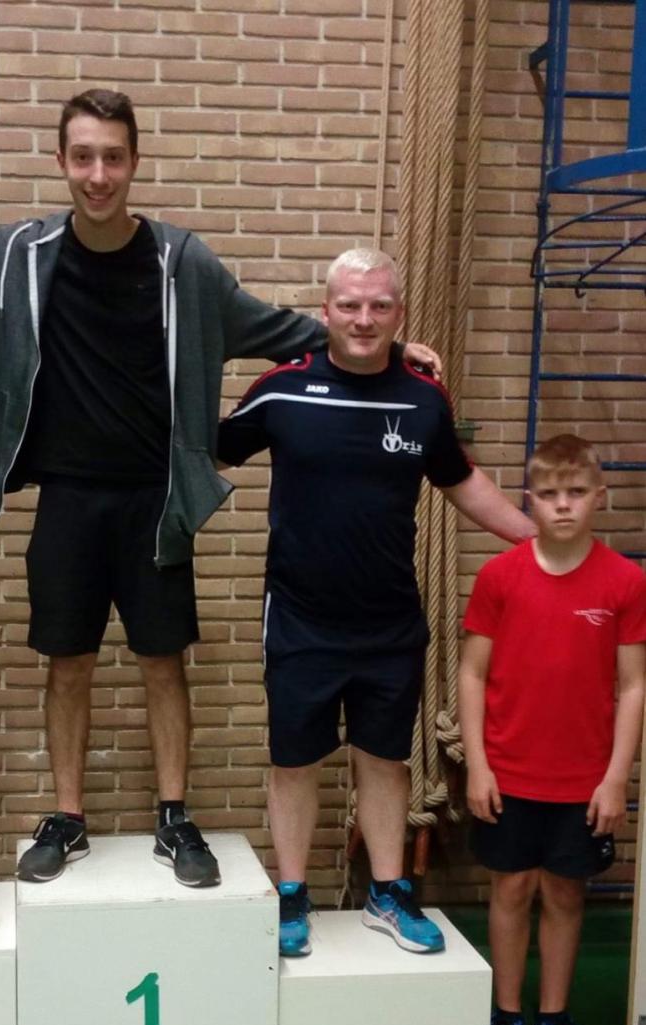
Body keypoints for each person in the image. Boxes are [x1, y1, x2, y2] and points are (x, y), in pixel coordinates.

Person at [0, 90, 441, 891]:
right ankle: (67, 816)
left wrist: (387, 348)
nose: (98, 174)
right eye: (83, 156)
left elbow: (276, 327)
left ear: (133, 163)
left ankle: (174, 815)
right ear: (62, 162)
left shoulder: (181, 262)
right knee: (69, 663)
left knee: (164, 663)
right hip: (66, 498)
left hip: (156, 502)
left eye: (113, 157)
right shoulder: (19, 251)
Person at [217, 247, 537, 957]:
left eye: (379, 306)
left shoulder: (424, 399)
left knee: (385, 761)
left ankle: (388, 896)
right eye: (350, 305)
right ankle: (291, 895)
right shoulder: (280, 389)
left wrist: (538, 540)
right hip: (299, 621)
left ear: (398, 314)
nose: (364, 319)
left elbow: (462, 481)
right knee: (294, 763)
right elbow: (207, 452)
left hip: (390, 623)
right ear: (326, 311)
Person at [460, 434, 646, 1025]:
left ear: (599, 497)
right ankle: (507, 1014)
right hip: (508, 773)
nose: (563, 505)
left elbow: (633, 687)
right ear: (529, 500)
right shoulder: (499, 578)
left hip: (584, 781)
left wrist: (616, 778)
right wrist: (478, 765)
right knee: (511, 888)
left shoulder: (626, 582)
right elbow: (472, 675)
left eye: (576, 493)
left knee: (566, 894)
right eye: (549, 494)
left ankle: (555, 1016)